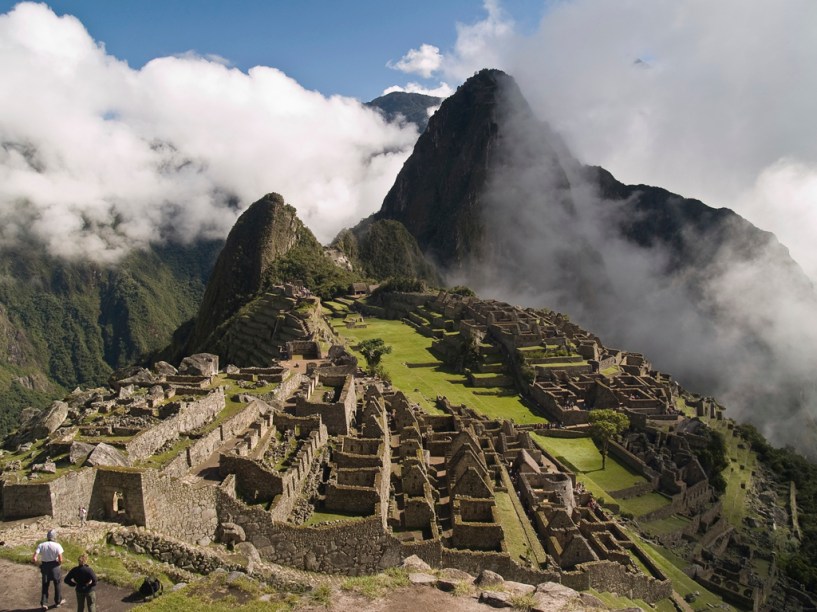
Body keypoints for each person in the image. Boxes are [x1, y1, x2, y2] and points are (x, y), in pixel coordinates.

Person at [32, 529, 66, 610]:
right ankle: (58, 602)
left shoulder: (41, 545)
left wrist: (39, 564)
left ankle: (44, 603)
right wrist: (58, 564)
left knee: (45, 585)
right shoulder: (57, 545)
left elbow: (34, 558)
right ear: (54, 537)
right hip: (54, 565)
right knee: (57, 584)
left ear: (47, 536)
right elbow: (60, 559)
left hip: (45, 565)